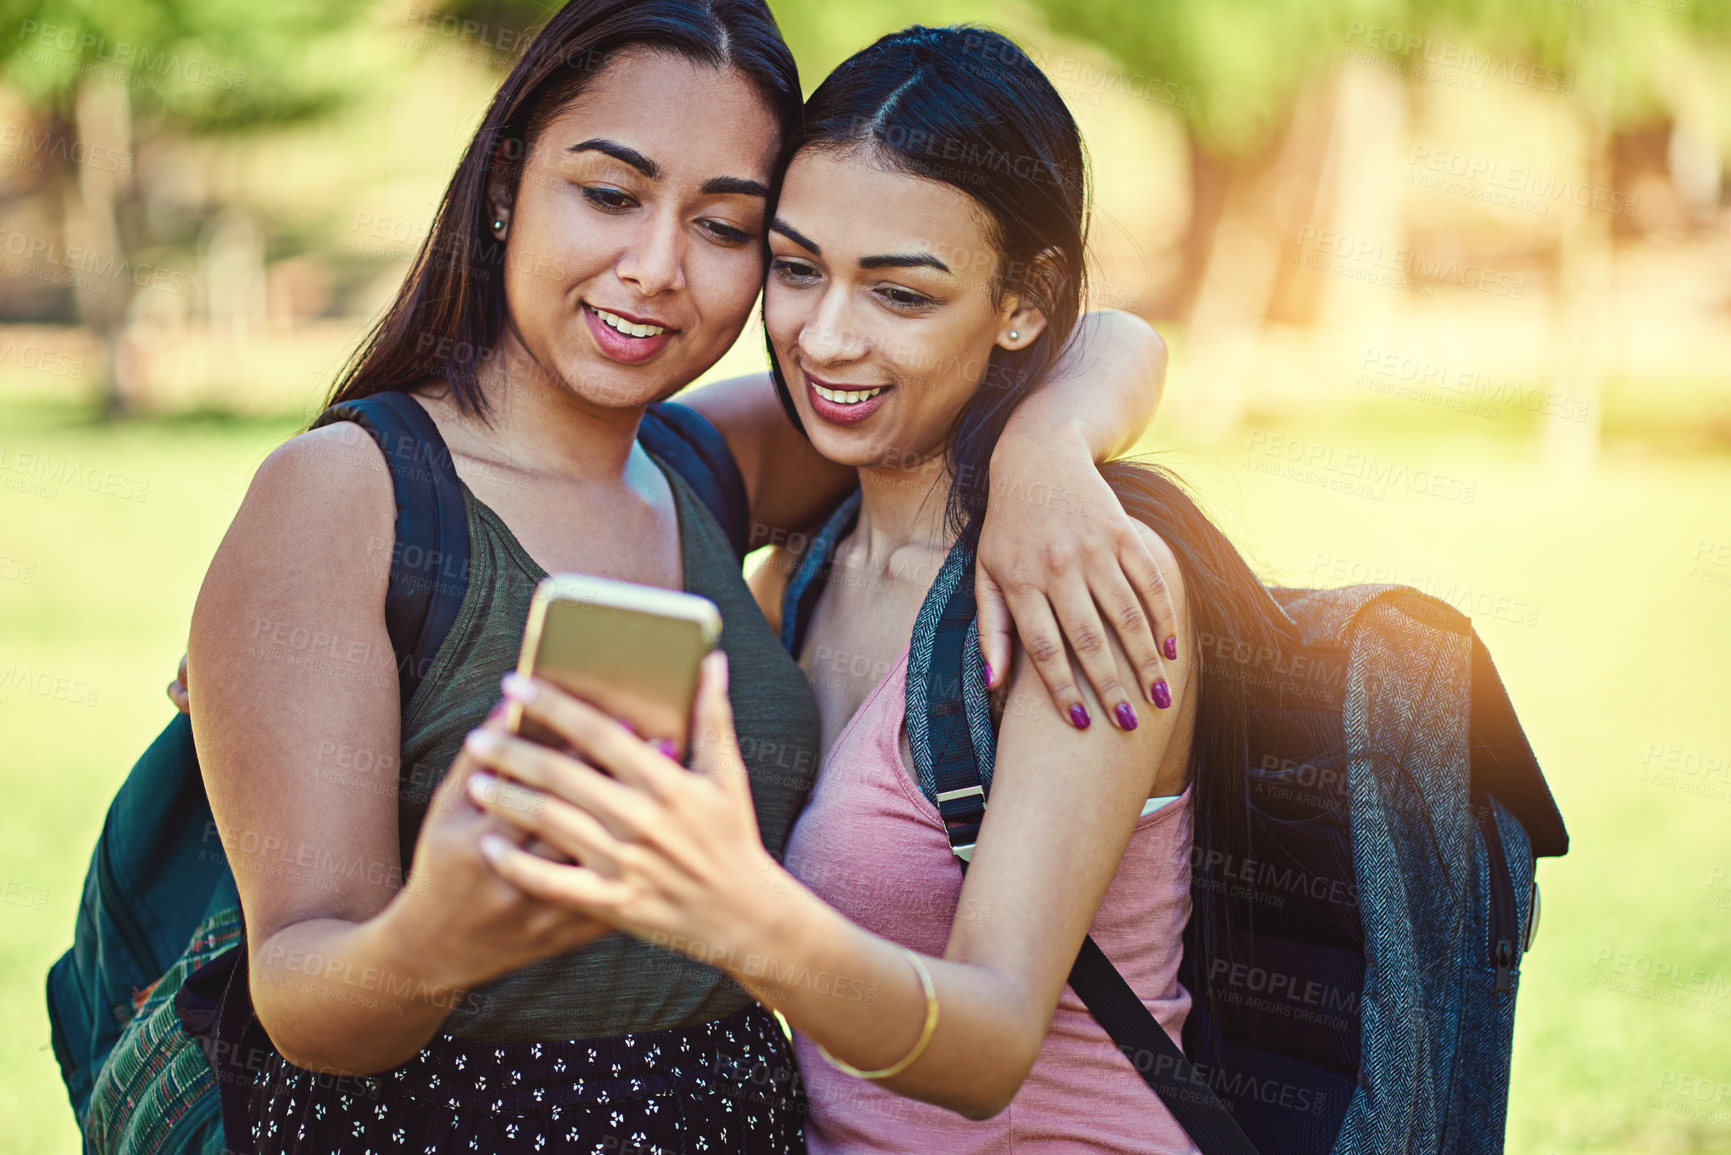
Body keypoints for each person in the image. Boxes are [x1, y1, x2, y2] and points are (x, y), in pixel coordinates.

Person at [180, 4, 1178, 1151]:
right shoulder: (350, 495)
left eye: (725, 227)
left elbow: (1045, 338)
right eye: (609, 196)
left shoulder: (708, 465)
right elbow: (301, 1001)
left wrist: (1048, 450)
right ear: (506, 183)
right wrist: (438, 937)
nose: (655, 270)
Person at [460, 25, 1293, 1153]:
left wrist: (735, 914)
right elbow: (529, 481)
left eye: (900, 295)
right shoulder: (802, 565)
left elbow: (993, 1041)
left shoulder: (1081, 590)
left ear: (1023, 302)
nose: (826, 339)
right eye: (797, 271)